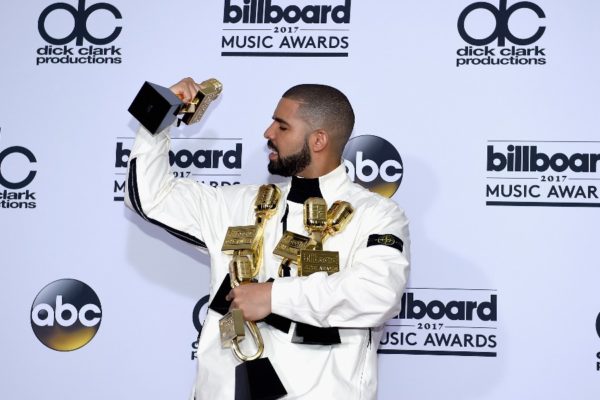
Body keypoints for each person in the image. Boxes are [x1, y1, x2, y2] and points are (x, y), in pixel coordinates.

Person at [125, 77, 410, 399]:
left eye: (282, 126)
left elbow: (377, 293)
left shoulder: (376, 215)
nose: (268, 133)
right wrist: (160, 112)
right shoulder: (238, 204)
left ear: (318, 140)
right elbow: (151, 198)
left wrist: (274, 297)